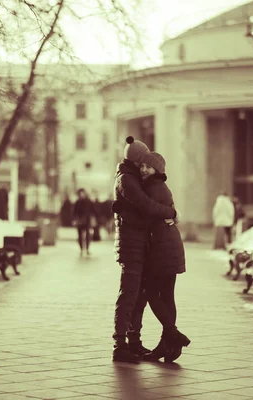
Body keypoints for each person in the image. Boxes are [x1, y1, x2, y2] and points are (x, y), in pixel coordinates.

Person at [111, 136, 177, 363]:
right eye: (144, 162)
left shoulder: (132, 178)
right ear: (138, 160)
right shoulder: (126, 180)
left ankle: (134, 343)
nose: (145, 167)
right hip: (131, 248)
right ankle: (120, 346)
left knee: (138, 297)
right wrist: (170, 212)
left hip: (139, 246)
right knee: (128, 296)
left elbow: (139, 212)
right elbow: (146, 207)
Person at [130, 151, 190, 363]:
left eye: (149, 166)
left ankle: (172, 334)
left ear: (158, 170)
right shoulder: (160, 187)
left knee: (150, 291)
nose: (144, 169)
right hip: (169, 246)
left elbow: (145, 215)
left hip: (162, 249)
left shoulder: (152, 187)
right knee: (167, 296)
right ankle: (167, 345)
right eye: (142, 166)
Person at [72, 188, 96, 256]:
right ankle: (81, 249)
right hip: (79, 221)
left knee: (88, 236)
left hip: (87, 221)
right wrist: (75, 219)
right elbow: (74, 212)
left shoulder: (89, 201)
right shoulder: (77, 202)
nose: (82, 195)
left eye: (83, 193)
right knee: (80, 236)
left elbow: (93, 210)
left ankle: (87, 249)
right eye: (80, 193)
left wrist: (94, 218)